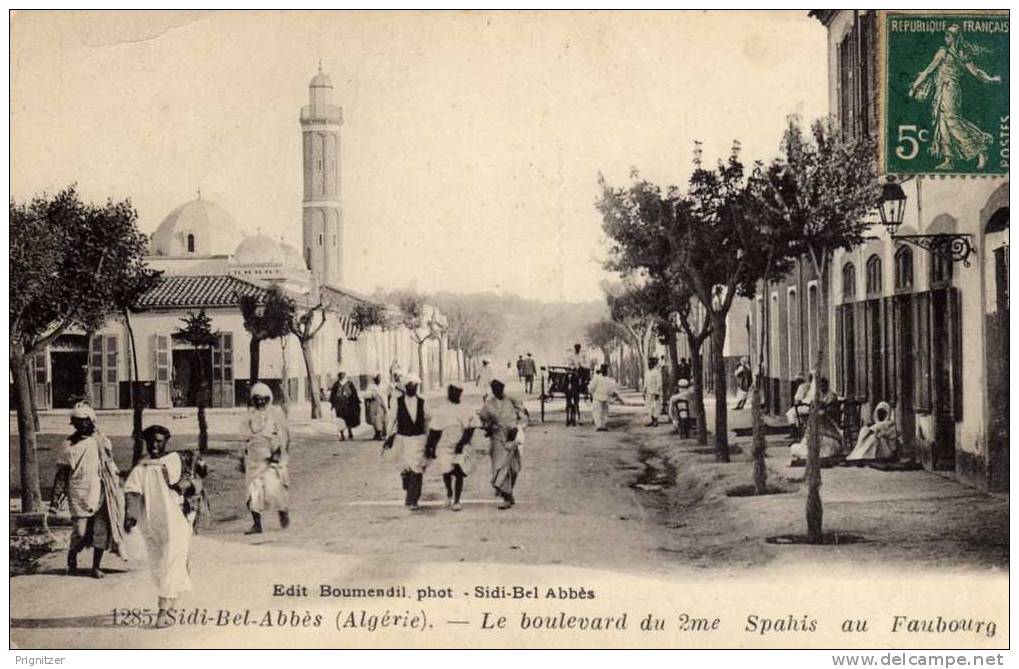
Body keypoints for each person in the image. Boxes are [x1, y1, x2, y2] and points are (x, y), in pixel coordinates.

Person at [123, 425, 196, 628]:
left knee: (172, 562)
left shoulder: (175, 461)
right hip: (152, 524)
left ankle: (163, 611)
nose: (155, 445)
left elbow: (191, 483)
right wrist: (130, 515)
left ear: (166, 441)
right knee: (157, 566)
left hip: (176, 521)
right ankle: (174, 605)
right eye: (151, 441)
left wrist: (188, 485)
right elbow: (132, 492)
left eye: (159, 441)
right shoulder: (141, 468)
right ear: (146, 442)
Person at [909, 24, 1002, 171]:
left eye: (948, 36)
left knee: (952, 122)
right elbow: (929, 71)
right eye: (945, 35)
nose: (945, 38)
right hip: (942, 91)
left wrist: (990, 79)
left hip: (950, 90)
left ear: (954, 38)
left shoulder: (953, 53)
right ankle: (949, 159)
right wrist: (916, 85)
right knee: (943, 123)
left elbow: (975, 72)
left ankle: (979, 149)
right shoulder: (949, 52)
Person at [49, 402, 126, 578]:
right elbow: (62, 474)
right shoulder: (68, 445)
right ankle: (72, 556)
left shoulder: (101, 441)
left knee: (101, 530)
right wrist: (55, 500)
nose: (81, 424)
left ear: (91, 421)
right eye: (76, 421)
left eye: (84, 421)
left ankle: (96, 566)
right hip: (78, 493)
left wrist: (118, 482)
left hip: (101, 491)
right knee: (81, 532)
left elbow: (109, 464)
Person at [239, 383, 291, 534]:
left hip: (271, 458)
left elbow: (284, 437)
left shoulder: (276, 414)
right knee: (252, 492)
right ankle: (257, 524)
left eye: (263, 399)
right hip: (253, 460)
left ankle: (282, 511)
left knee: (273, 489)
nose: (260, 402)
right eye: (257, 399)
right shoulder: (249, 416)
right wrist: (241, 458)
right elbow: (244, 439)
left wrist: (278, 454)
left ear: (269, 399)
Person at [384, 373, 432, 511]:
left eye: (415, 386)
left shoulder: (423, 402)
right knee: (406, 469)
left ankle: (414, 498)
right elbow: (392, 420)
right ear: (405, 387)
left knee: (417, 468)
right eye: (410, 386)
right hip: (403, 440)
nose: (413, 388)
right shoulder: (397, 401)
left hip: (418, 439)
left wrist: (429, 439)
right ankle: (409, 493)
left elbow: (428, 420)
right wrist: (389, 436)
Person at [428, 383, 480, 511]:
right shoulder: (442, 409)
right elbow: (435, 430)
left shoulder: (465, 408)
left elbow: (472, 426)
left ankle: (457, 500)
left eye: (458, 392)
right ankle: (449, 492)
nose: (455, 394)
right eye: (453, 392)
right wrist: (431, 446)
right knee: (446, 471)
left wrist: (462, 443)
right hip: (445, 445)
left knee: (459, 471)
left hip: (461, 444)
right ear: (449, 392)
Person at [479, 376, 528, 510]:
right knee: (500, 467)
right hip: (498, 438)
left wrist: (518, 428)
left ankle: (509, 491)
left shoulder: (511, 400)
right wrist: (488, 427)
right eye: (494, 389)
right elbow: (483, 420)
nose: (497, 391)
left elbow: (523, 414)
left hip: (512, 437)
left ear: (503, 388)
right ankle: (506, 496)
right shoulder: (489, 404)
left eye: (499, 389)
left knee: (514, 467)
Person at [789, 377, 844, 465]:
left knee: (827, 446)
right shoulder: (817, 396)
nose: (822, 388)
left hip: (829, 421)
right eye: (820, 386)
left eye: (823, 385)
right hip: (821, 423)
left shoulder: (831, 395)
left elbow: (831, 408)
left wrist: (824, 408)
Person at [589, 364, 623, 432]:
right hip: (597, 397)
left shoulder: (609, 380)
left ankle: (603, 425)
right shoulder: (596, 378)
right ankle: (599, 425)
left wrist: (614, 395)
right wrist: (591, 392)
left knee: (605, 412)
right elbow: (591, 387)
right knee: (597, 412)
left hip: (605, 398)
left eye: (605, 369)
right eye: (603, 369)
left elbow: (612, 389)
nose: (604, 370)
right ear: (601, 370)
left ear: (607, 370)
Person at [329, 372, 361, 441]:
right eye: (340, 375)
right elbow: (333, 395)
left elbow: (354, 394)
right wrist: (333, 404)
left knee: (348, 418)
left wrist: (356, 402)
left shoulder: (349, 383)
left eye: (343, 374)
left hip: (348, 404)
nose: (341, 376)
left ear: (345, 375)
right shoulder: (336, 384)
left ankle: (350, 431)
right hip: (339, 405)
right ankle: (342, 434)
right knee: (340, 419)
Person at [364, 373, 388, 441]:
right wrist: (372, 394)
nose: (379, 379)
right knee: (376, 419)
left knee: (383, 419)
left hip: (382, 404)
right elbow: (366, 395)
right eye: (378, 377)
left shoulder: (383, 386)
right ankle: (378, 433)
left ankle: (381, 433)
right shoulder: (371, 386)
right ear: (375, 378)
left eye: (380, 377)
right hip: (374, 405)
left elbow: (386, 394)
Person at [643, 357, 663, 427]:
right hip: (648, 393)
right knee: (649, 407)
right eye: (648, 364)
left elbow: (659, 383)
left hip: (655, 392)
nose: (649, 365)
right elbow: (645, 383)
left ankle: (656, 421)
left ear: (653, 364)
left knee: (655, 407)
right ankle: (652, 420)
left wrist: (657, 393)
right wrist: (643, 392)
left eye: (650, 364)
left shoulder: (657, 372)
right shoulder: (647, 373)